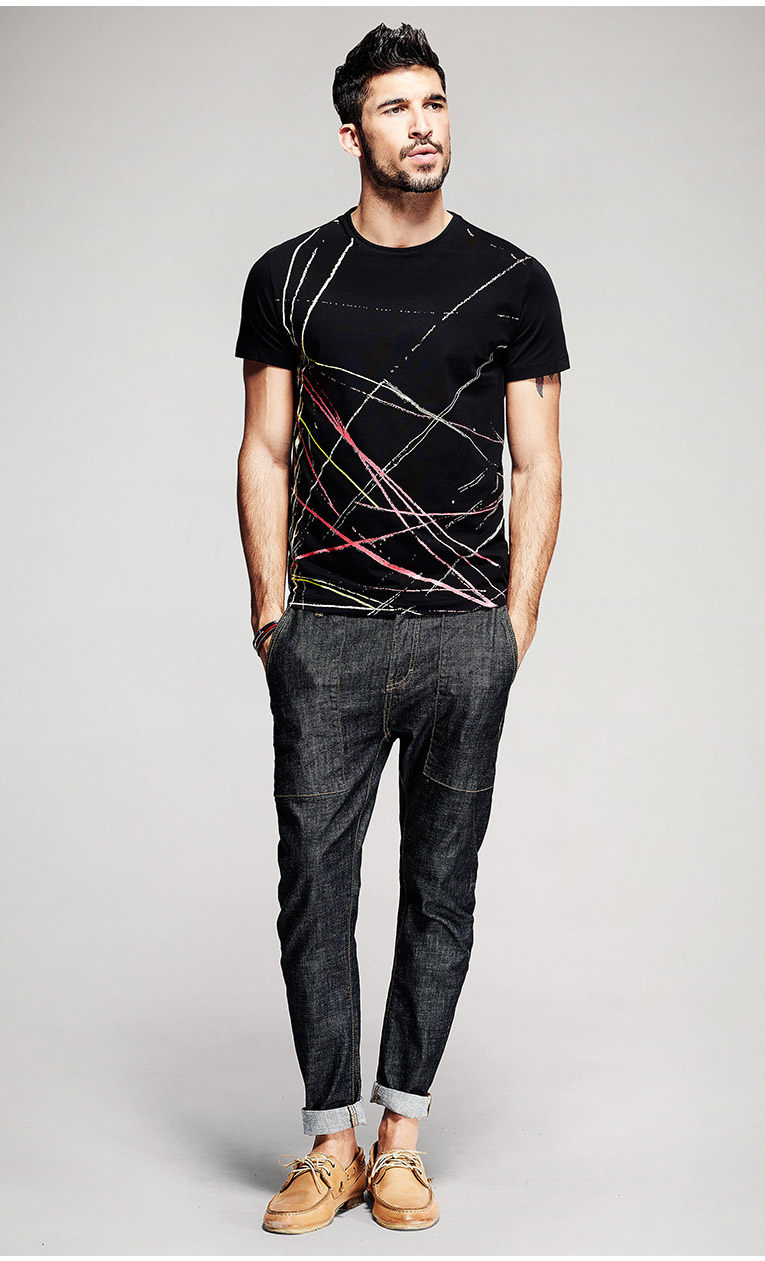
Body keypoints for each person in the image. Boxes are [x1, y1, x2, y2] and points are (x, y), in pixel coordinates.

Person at [235, 21, 570, 1234]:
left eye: (433, 102)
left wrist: (512, 623)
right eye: (394, 106)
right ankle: (328, 1141)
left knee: (440, 891)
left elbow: (538, 464)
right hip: (326, 632)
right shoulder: (288, 276)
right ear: (351, 134)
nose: (422, 124)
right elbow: (264, 448)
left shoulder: (513, 281)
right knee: (313, 891)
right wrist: (270, 614)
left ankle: (399, 1141)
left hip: (461, 637)